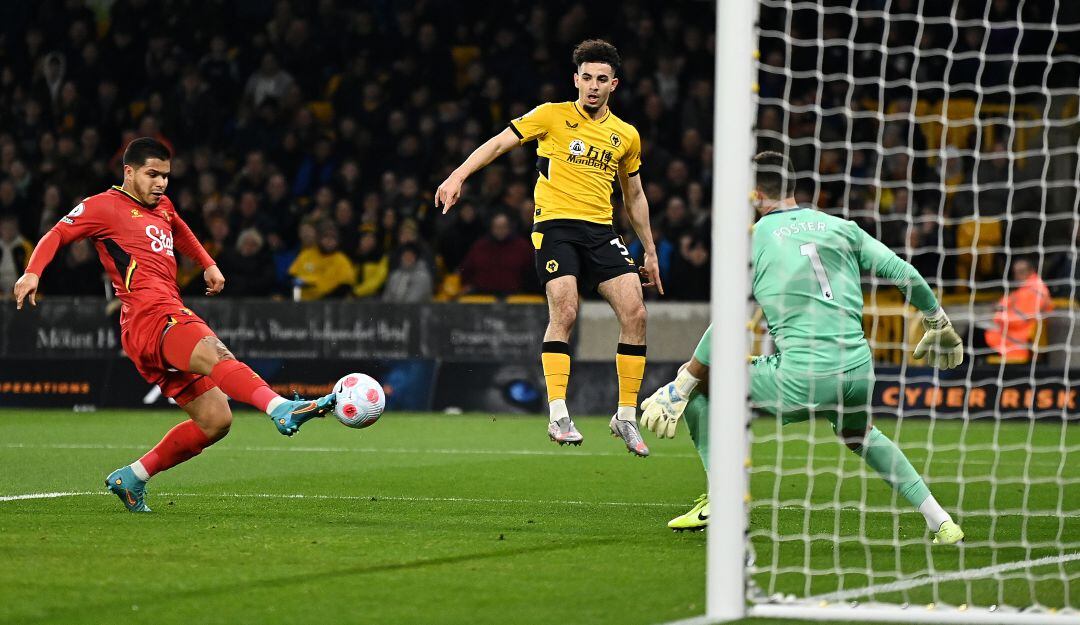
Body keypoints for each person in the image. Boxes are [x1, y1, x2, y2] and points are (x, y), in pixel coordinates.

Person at [638, 152, 965, 545]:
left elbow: (729, 321)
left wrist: (684, 382)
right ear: (793, 188)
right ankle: (940, 520)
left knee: (704, 390)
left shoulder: (752, 238)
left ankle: (723, 499)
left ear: (754, 193)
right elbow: (901, 271)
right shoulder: (841, 226)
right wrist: (936, 318)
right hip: (859, 369)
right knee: (860, 436)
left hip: (803, 375)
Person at [12, 138, 335, 513]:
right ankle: (280, 407)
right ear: (128, 172)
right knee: (216, 352)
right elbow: (57, 233)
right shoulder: (103, 206)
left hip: (157, 321)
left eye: (165, 175)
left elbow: (179, 229)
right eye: (152, 174)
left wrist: (208, 263)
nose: (161, 183)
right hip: (151, 315)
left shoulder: (162, 205)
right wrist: (32, 272)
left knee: (216, 420)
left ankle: (132, 476)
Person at [435, 39, 662, 456]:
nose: (593, 86)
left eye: (602, 79)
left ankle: (625, 416)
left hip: (601, 230)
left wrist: (649, 250)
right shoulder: (550, 116)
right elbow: (500, 143)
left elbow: (635, 195)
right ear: (576, 80)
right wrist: (458, 175)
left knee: (636, 314)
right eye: (586, 78)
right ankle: (558, 412)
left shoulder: (625, 135)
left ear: (615, 84)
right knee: (566, 308)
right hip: (555, 226)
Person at [984, 257, 1053, 363]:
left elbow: (1020, 319)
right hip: (1010, 336)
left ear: (1031, 271)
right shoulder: (1025, 289)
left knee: (972, 338)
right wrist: (1000, 310)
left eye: (1021, 272)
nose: (1017, 276)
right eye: (1015, 273)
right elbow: (1005, 303)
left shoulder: (1034, 291)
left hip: (1019, 342)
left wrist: (998, 316)